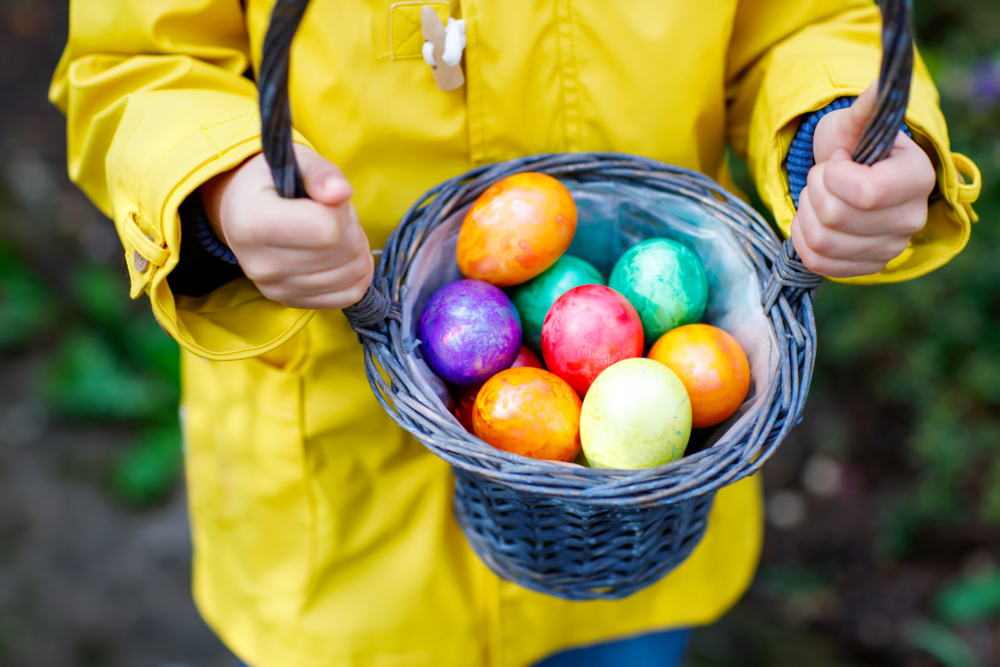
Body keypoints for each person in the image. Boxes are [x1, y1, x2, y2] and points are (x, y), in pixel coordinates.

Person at [50, 1, 980, 665]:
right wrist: (221, 192)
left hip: (638, 520)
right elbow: (136, 61)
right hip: (346, 521)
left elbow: (805, 18)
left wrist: (831, 130)